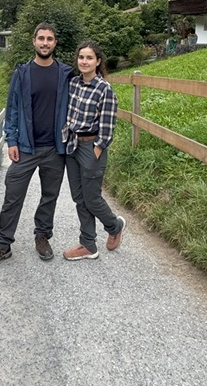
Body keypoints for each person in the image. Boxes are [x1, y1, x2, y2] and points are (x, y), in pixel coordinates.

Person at [0, 23, 75, 267]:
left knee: (49, 196)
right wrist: (11, 140)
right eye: (41, 38)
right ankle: (3, 244)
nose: (45, 43)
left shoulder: (65, 74)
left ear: (55, 43)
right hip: (25, 147)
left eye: (50, 39)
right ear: (34, 41)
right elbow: (12, 108)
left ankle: (42, 236)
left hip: (55, 149)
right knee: (13, 194)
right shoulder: (22, 74)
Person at [62, 40, 125, 260]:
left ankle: (114, 226)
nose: (84, 61)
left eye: (89, 58)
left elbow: (107, 126)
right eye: (81, 57)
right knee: (79, 197)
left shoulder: (104, 89)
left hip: (91, 147)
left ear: (98, 61)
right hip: (72, 145)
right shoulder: (73, 83)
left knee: (92, 198)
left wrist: (97, 149)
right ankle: (88, 244)